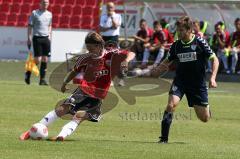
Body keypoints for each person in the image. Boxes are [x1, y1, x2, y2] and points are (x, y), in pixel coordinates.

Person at [20, 32, 135, 141]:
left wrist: (126, 61)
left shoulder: (112, 54)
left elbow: (131, 53)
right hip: (84, 90)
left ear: (99, 45)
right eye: (87, 48)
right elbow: (74, 71)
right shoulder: (85, 58)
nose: (89, 51)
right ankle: (31, 132)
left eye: (91, 48)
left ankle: (61, 136)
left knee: (79, 117)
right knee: (63, 108)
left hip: (98, 96)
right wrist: (65, 83)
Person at [151, 16, 219, 143]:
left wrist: (213, 78)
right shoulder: (176, 45)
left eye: (182, 30)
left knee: (204, 118)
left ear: (189, 30)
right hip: (180, 81)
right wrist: (158, 70)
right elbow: (167, 60)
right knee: (171, 105)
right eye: (178, 30)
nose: (179, 33)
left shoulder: (200, 42)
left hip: (197, 84)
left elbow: (214, 59)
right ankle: (163, 139)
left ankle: (207, 110)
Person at [25, 0, 52, 85]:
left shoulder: (49, 14)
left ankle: (42, 80)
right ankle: (28, 72)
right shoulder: (34, 13)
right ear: (40, 4)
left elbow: (50, 25)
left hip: (46, 38)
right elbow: (30, 26)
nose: (45, 4)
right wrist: (29, 38)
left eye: (47, 2)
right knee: (38, 59)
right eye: (44, 2)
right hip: (37, 37)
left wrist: (49, 35)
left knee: (45, 59)